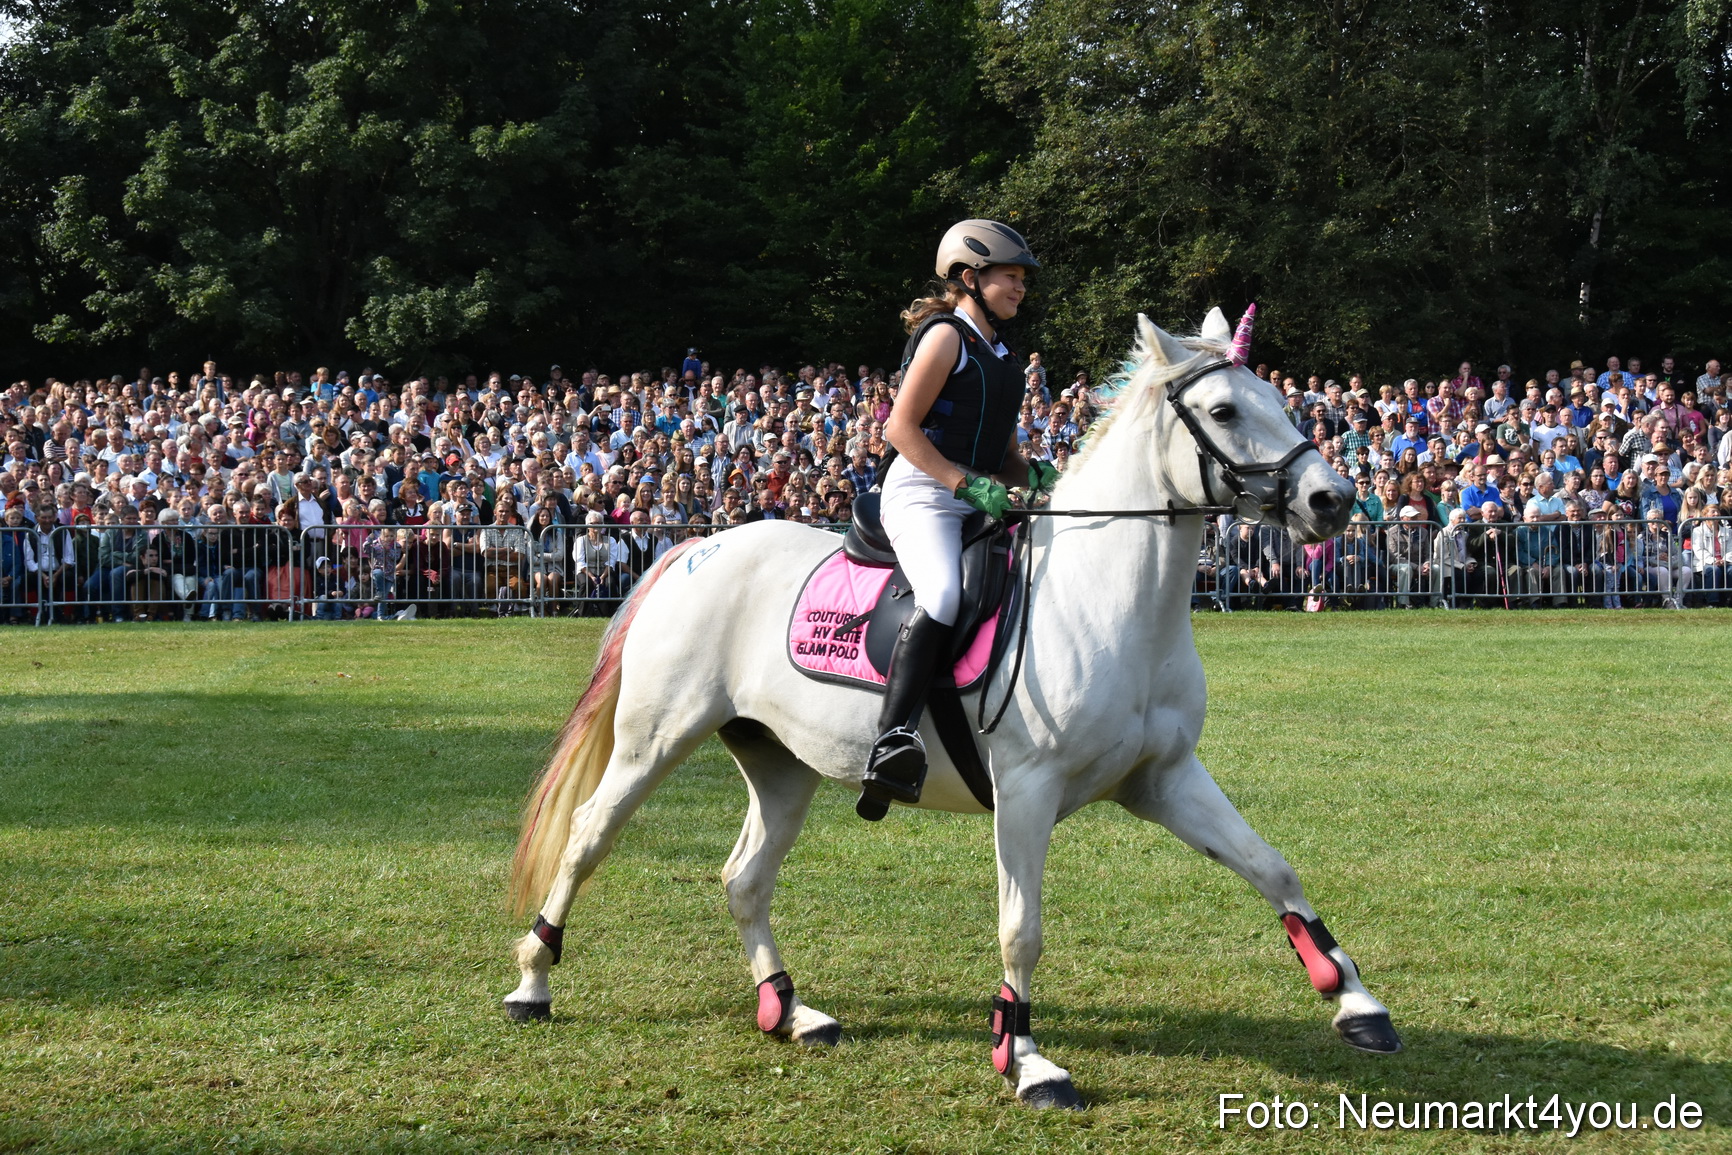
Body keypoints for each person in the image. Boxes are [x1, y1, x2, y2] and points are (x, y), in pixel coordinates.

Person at [858, 219, 1054, 819]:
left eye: (1023, 279)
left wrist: (1035, 475)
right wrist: (966, 484)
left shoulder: (1001, 352)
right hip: (921, 490)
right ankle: (891, 741)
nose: (1020, 288)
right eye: (1010, 277)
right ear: (971, 278)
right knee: (942, 595)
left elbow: (1001, 451)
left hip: (977, 492)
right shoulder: (946, 336)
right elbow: (899, 429)